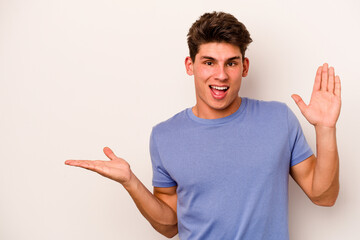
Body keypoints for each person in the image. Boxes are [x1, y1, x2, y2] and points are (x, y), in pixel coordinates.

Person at [65, 11, 341, 240]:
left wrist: (325, 129)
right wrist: (131, 182)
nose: (221, 75)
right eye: (209, 62)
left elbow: (323, 196)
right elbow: (169, 224)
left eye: (231, 63)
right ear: (191, 65)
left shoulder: (279, 119)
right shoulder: (165, 136)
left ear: (244, 67)